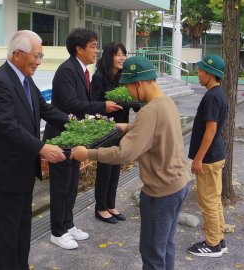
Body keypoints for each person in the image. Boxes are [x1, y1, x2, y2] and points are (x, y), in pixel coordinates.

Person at [71, 56, 191, 270]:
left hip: (160, 193)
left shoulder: (148, 112)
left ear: (138, 83)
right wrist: (130, 127)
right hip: (180, 184)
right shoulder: (166, 103)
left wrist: (88, 152)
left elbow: (124, 153)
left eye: (128, 87)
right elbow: (157, 133)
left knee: (152, 253)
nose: (128, 93)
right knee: (166, 246)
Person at [0, 30, 69, 270]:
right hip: (2, 172)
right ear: (17, 54)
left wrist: (78, 123)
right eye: (36, 56)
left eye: (41, 55)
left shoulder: (25, 79)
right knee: (5, 232)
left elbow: (45, 109)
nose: (39, 61)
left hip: (22, 169)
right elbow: (7, 126)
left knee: (22, 227)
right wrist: (42, 147)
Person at [43, 28, 122, 250]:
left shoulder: (82, 71)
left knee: (71, 184)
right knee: (61, 186)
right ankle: (57, 231)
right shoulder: (67, 71)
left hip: (75, 137)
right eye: (93, 46)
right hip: (62, 136)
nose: (97, 51)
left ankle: (68, 224)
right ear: (79, 48)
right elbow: (70, 105)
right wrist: (102, 106)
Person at [187, 54, 228, 258]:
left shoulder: (212, 96)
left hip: (209, 158)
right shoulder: (219, 93)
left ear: (211, 74)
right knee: (215, 199)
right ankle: (219, 239)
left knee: (208, 201)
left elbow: (210, 130)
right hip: (216, 154)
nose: (198, 73)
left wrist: (198, 158)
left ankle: (212, 245)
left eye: (201, 70)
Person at [91, 42, 128, 224]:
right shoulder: (99, 77)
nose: (122, 58)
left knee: (116, 166)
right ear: (109, 56)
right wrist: (107, 108)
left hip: (122, 127)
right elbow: (94, 105)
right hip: (105, 128)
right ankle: (100, 208)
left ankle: (111, 205)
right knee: (105, 167)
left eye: (124, 54)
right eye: (118, 54)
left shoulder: (123, 77)